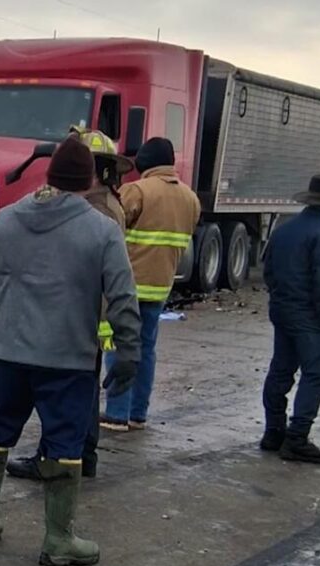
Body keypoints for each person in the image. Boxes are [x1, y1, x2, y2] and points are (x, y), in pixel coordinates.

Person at [0, 135, 141, 566]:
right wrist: (129, 352)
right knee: (64, 443)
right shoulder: (102, 230)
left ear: (49, 174)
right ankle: (58, 540)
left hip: (8, 354)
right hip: (67, 360)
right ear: (88, 179)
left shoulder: (5, 220)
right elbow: (122, 296)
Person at [4, 129, 132, 481]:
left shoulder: (96, 209)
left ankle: (60, 456)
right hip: (89, 314)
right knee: (81, 390)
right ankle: (79, 454)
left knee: (69, 395)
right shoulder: (104, 203)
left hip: (82, 315)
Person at [100, 137, 200, 432]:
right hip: (161, 285)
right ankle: (137, 414)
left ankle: (116, 413)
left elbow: (113, 225)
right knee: (146, 349)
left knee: (118, 345)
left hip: (127, 284)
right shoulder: (190, 198)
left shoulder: (137, 191)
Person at [260, 174, 320, 465]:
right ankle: (297, 439)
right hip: (311, 316)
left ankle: (274, 431)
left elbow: (268, 270)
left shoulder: (286, 228)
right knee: (315, 374)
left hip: (283, 311)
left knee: (281, 371)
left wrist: (280, 299)